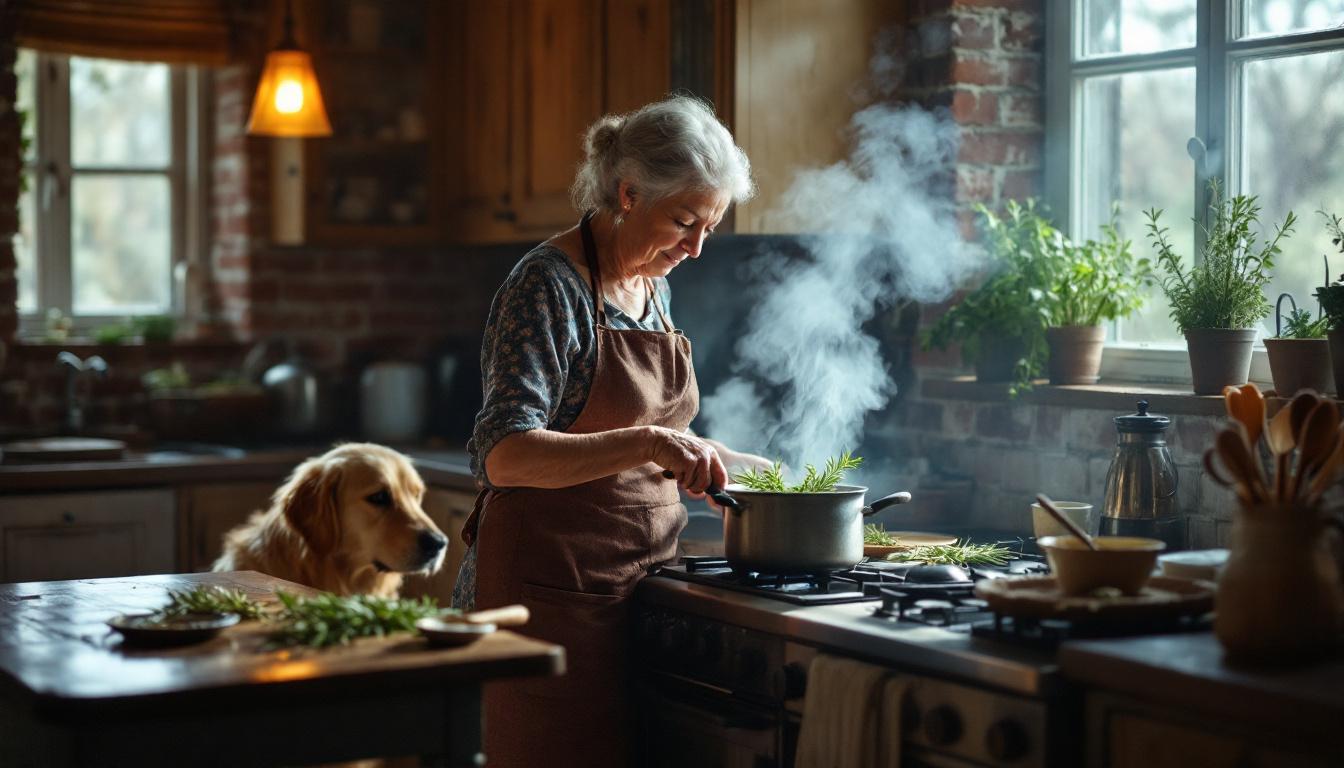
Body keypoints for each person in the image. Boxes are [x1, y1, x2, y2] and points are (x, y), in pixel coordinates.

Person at [452, 95, 767, 768]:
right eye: (684, 221)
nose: (697, 247)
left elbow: (659, 431)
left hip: (637, 586)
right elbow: (503, 454)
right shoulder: (547, 285)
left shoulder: (653, 285)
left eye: (709, 225)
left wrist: (735, 464)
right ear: (627, 194)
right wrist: (654, 445)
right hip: (545, 597)